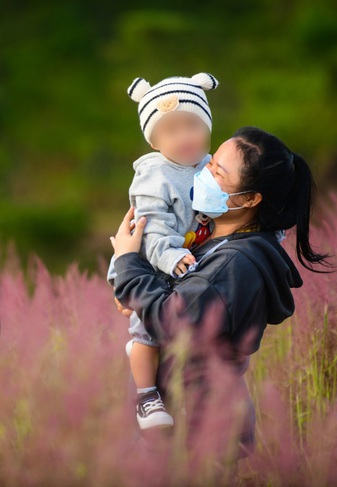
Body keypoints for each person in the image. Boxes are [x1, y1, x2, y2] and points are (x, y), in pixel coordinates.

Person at [110, 126, 331, 456]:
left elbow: (171, 321)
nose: (204, 172)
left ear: (249, 199)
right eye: (210, 163)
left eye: (218, 172)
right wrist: (137, 290)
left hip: (196, 429)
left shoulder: (236, 262)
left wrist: (128, 262)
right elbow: (172, 303)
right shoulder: (209, 239)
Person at [108, 73, 219, 430]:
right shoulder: (154, 175)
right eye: (170, 131)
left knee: (178, 332)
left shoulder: (213, 166)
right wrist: (169, 256)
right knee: (147, 333)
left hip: (184, 260)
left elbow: (233, 206)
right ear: (154, 143)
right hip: (150, 261)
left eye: (192, 125)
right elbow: (151, 226)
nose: (184, 137)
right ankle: (146, 396)